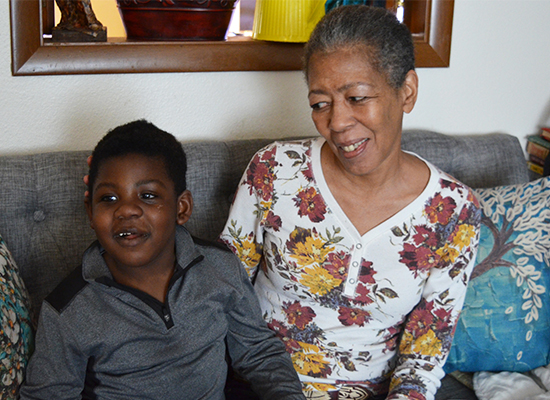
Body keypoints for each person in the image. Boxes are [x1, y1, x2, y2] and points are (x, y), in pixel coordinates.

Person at [220, 5, 481, 400]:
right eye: (320, 103)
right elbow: (222, 291)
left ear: (406, 91)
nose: (337, 123)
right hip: (260, 383)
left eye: (357, 97)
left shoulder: (454, 211)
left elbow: (423, 357)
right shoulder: (274, 170)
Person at [19, 120, 306, 400]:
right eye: (108, 198)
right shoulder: (67, 310)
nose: (127, 210)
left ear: (181, 208)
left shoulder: (219, 266)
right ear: (90, 212)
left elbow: (258, 351)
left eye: (147, 195)